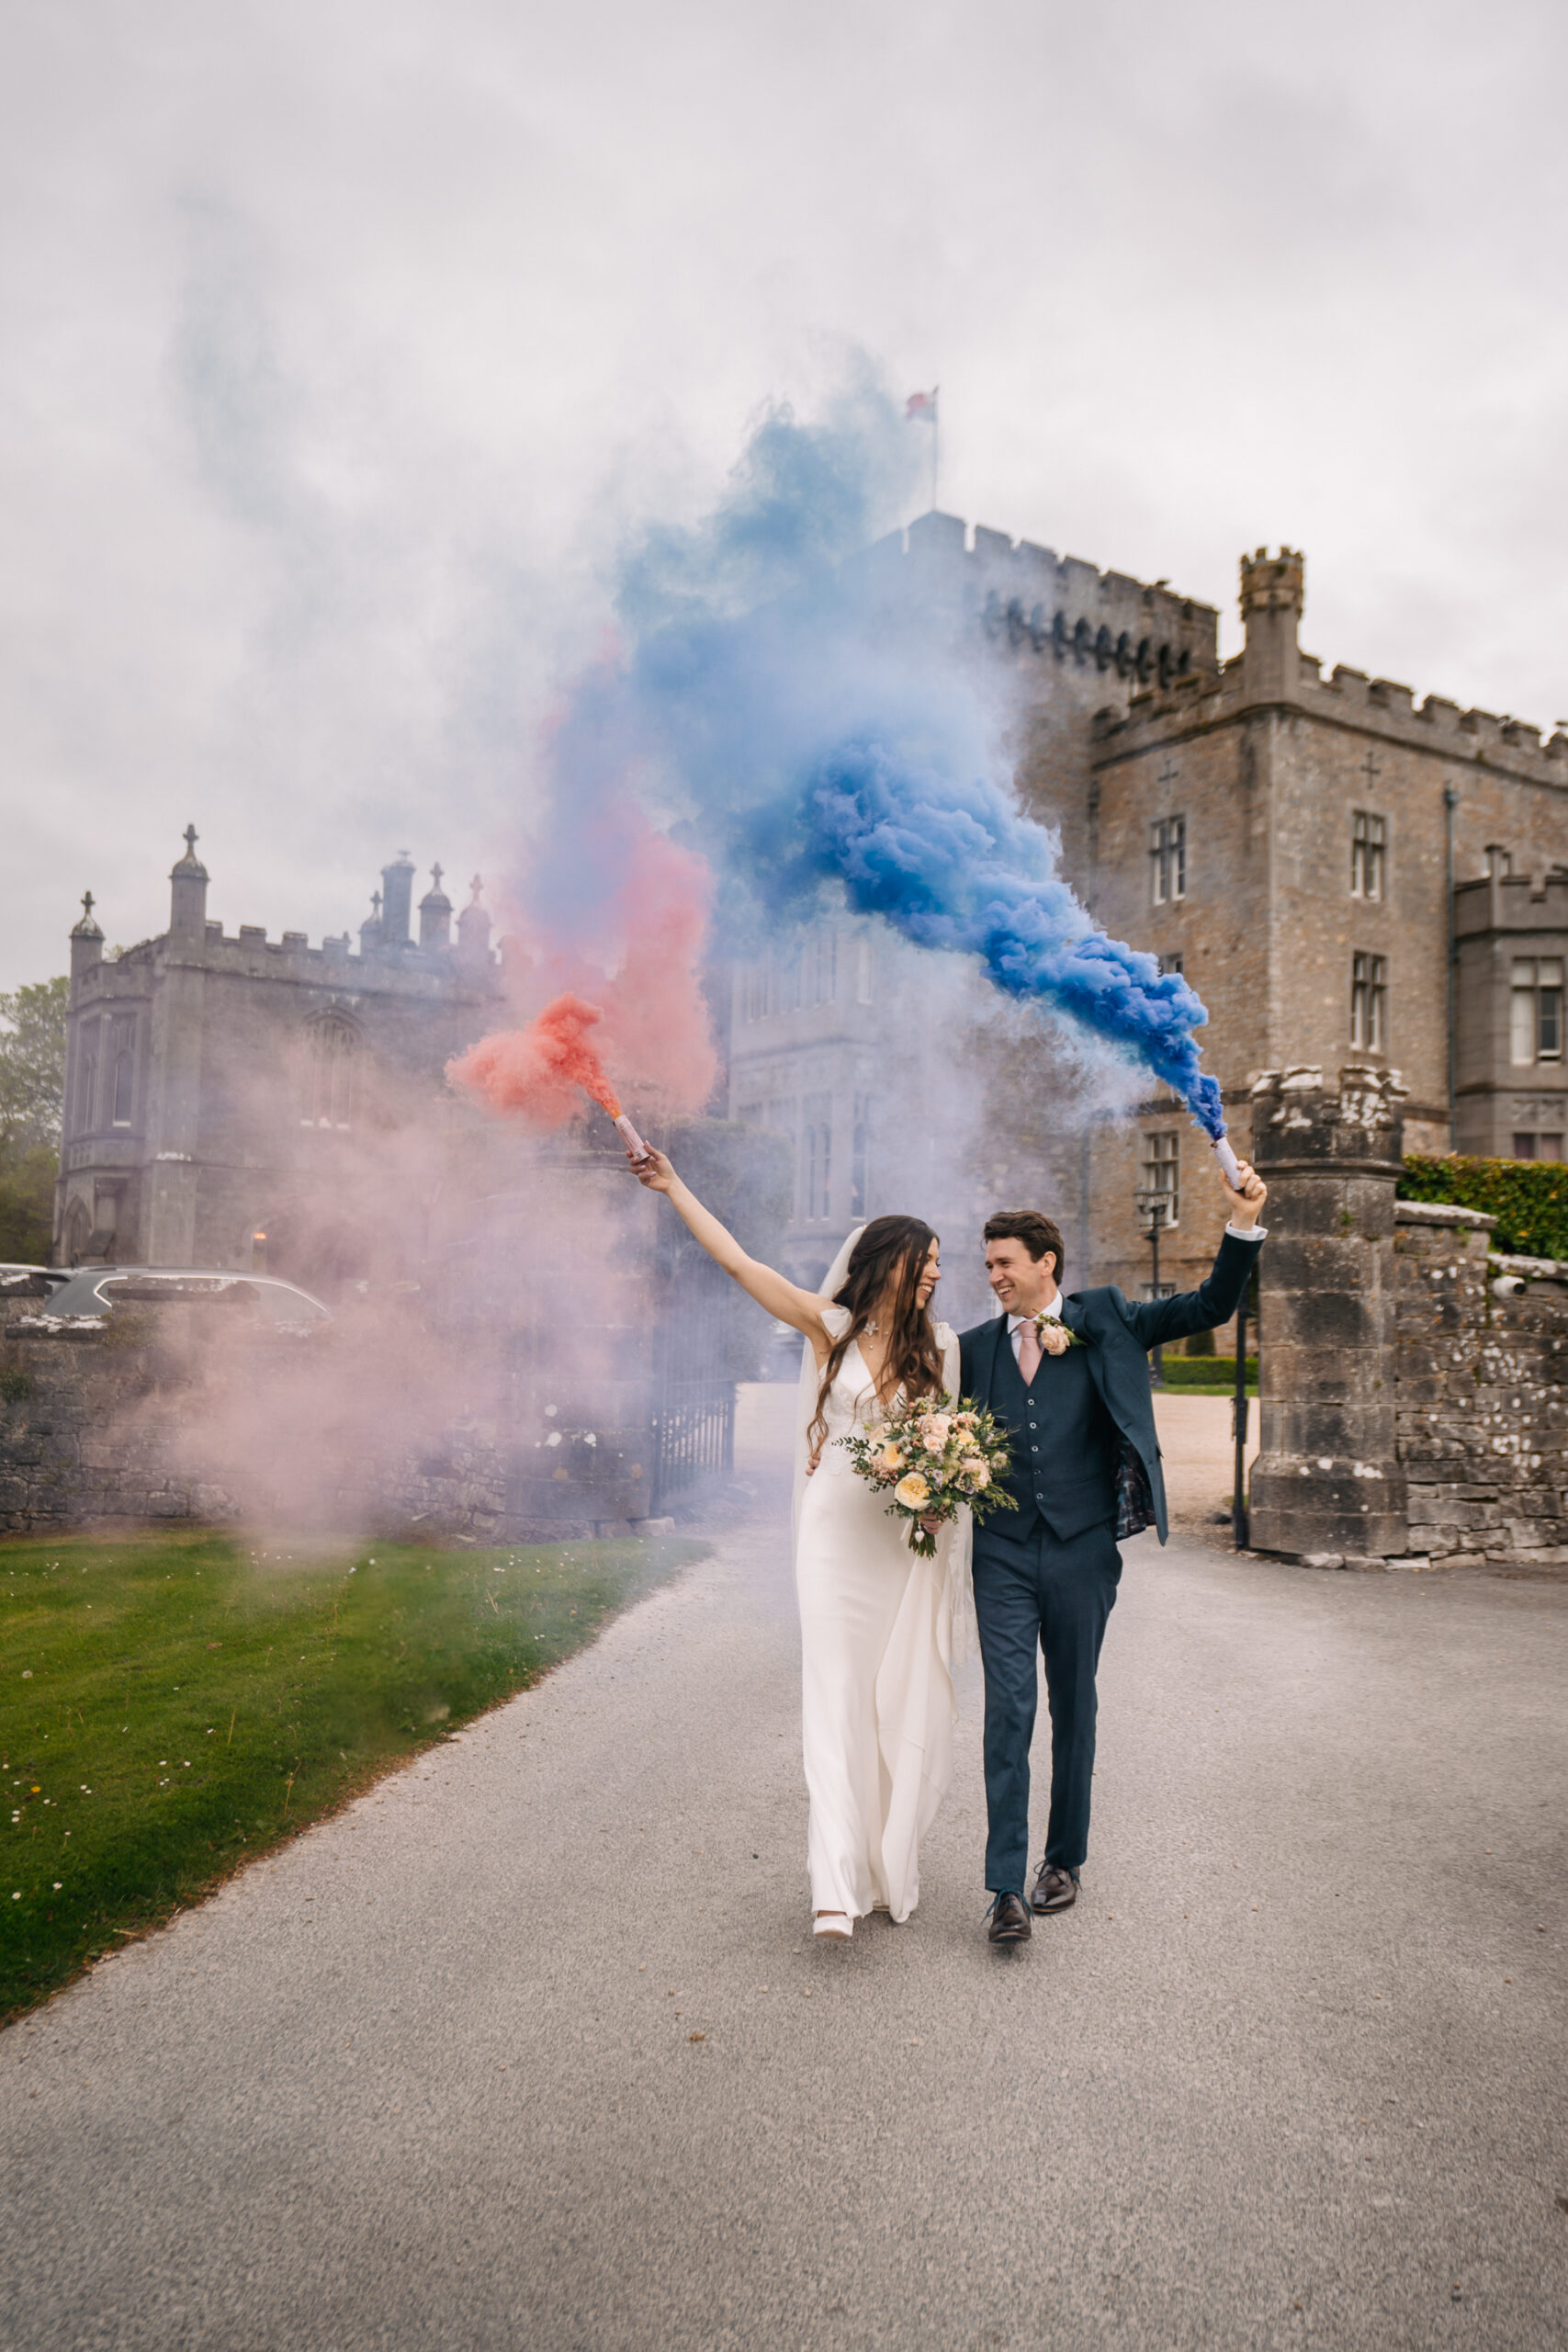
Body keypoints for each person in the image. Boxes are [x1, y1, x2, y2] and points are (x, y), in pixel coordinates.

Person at [630, 1145, 970, 1938]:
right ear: (889, 1262)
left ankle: (882, 1863)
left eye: (941, 1266)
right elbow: (738, 1264)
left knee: (889, 1699)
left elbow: (949, 1452)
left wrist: (938, 1504)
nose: (935, 1276)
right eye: (926, 1263)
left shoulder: (941, 1351)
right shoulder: (831, 1329)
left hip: (897, 1548)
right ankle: (831, 1883)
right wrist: (675, 1183)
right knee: (832, 1692)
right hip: (830, 1537)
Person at [958, 1154, 1269, 1946]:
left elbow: (1211, 1303)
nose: (991, 1275)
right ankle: (1003, 1888)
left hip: (1082, 1550)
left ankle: (1062, 1860)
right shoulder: (970, 1349)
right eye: (985, 1263)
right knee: (1007, 1711)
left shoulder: (1108, 1319)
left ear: (1043, 1265)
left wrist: (1240, 1221)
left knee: (1073, 1704)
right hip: (999, 1553)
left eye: (1002, 1263)